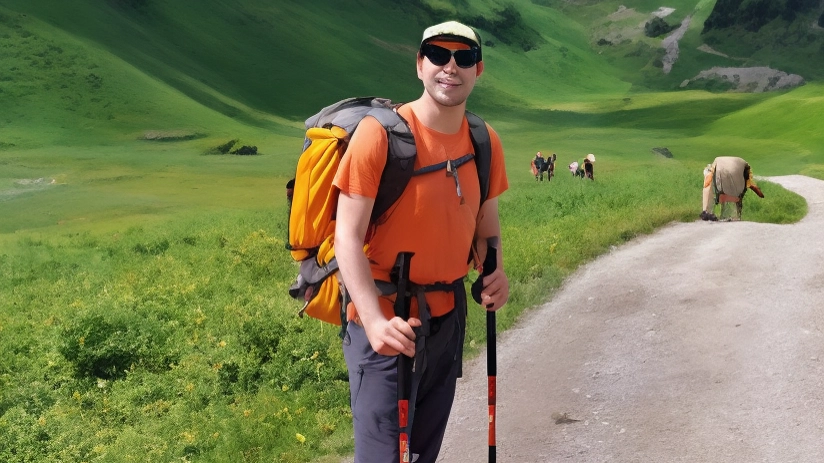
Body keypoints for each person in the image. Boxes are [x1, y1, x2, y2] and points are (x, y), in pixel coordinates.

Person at [333, 20, 510, 463]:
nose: (450, 67)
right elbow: (346, 237)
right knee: (383, 459)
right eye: (438, 55)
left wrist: (496, 272)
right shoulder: (380, 136)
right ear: (419, 64)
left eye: (464, 57)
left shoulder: (484, 140)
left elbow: (487, 225)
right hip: (387, 326)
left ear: (478, 69)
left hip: (446, 324)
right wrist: (373, 323)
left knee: (423, 455)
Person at [701, 156, 764, 221]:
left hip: (721, 178)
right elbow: (751, 185)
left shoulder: (715, 163)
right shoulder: (745, 167)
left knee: (711, 181)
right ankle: (738, 215)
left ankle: (705, 211)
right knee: (737, 194)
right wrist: (760, 194)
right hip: (736, 184)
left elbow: (707, 183)